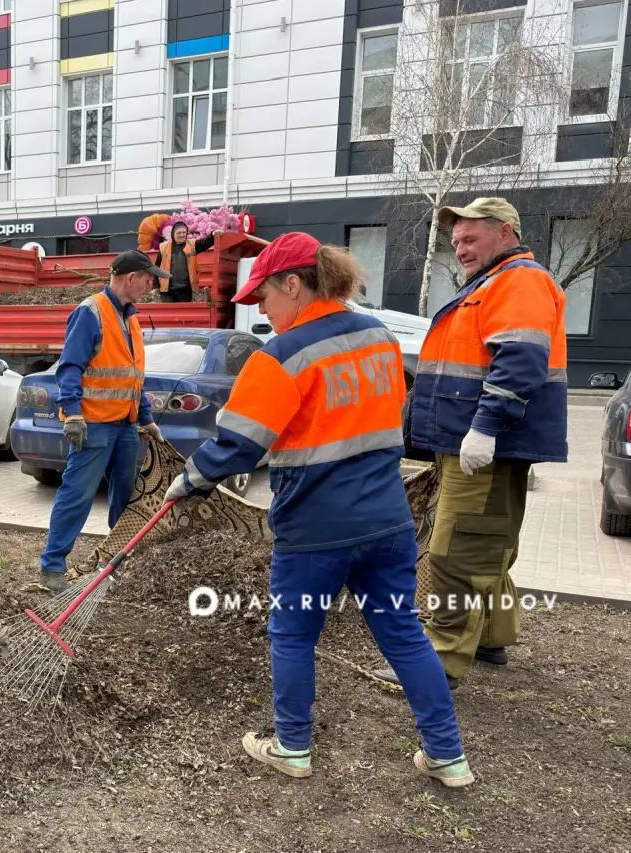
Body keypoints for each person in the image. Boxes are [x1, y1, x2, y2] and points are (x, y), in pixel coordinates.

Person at [166, 232, 473, 788]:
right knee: (404, 634)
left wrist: (189, 480)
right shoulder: (380, 339)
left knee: (292, 635)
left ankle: (292, 746)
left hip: (315, 530)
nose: (261, 310)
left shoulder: (281, 356)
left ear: (294, 284)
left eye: (264, 297)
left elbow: (239, 443)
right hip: (387, 520)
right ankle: (448, 756)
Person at [379, 197, 567, 685]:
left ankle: (439, 662)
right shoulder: (493, 282)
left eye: (470, 238)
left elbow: (520, 361)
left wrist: (485, 426)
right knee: (488, 542)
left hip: (485, 445)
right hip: (474, 444)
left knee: (456, 551)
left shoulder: (518, 280)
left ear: (505, 232)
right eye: (456, 240)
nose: (459, 248)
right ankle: (490, 638)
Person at [38, 251, 167, 594]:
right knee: (77, 495)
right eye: (148, 277)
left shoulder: (131, 318)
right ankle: (52, 566)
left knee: (124, 496)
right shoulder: (91, 312)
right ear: (130, 278)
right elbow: (70, 367)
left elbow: (132, 376)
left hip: (125, 426)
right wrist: (74, 413)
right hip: (93, 425)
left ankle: (117, 560)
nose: (151, 283)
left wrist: (146, 418)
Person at [157, 221, 221, 302]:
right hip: (167, 292)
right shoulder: (163, 247)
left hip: (185, 290)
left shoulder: (192, 244)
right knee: (168, 313)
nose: (182, 235)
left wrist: (213, 234)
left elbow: (205, 243)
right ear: (173, 234)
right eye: (179, 233)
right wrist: (156, 286)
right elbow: (156, 268)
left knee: (184, 313)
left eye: (184, 232)